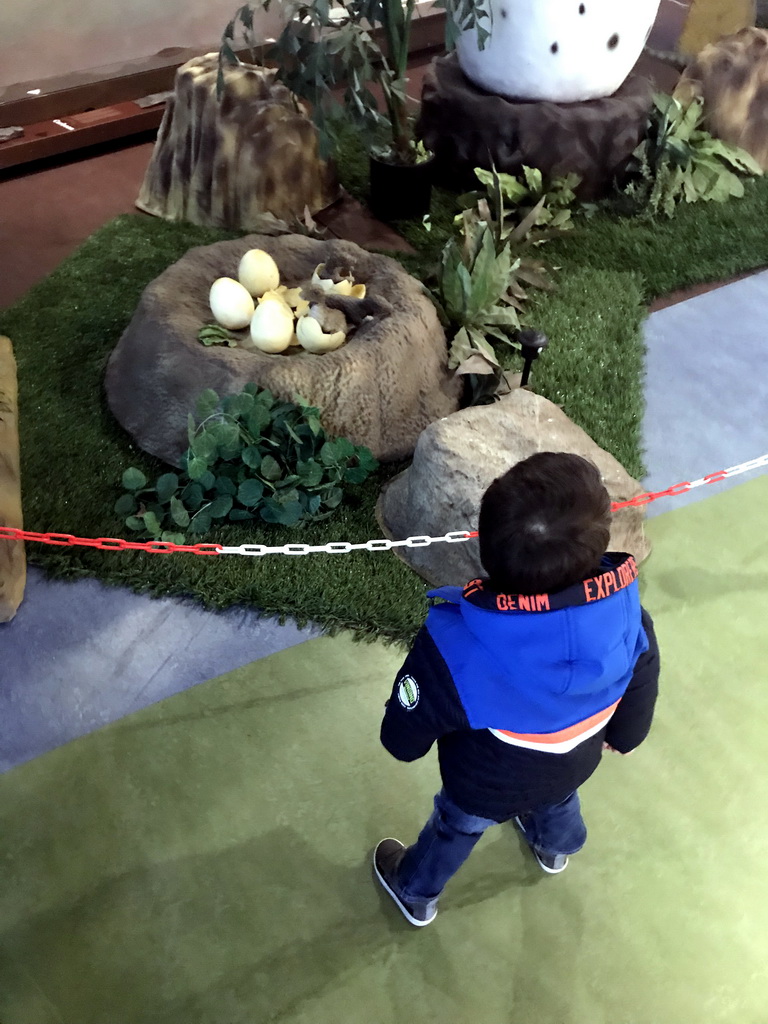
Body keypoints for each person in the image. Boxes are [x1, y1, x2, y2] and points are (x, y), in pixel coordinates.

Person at [373, 452, 660, 927]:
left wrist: (400, 741)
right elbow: (644, 664)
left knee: (456, 827)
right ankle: (557, 848)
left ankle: (414, 889)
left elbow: (413, 712)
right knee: (557, 795)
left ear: (487, 550)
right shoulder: (625, 604)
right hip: (574, 757)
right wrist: (627, 733)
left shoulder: (456, 642)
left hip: (484, 782)